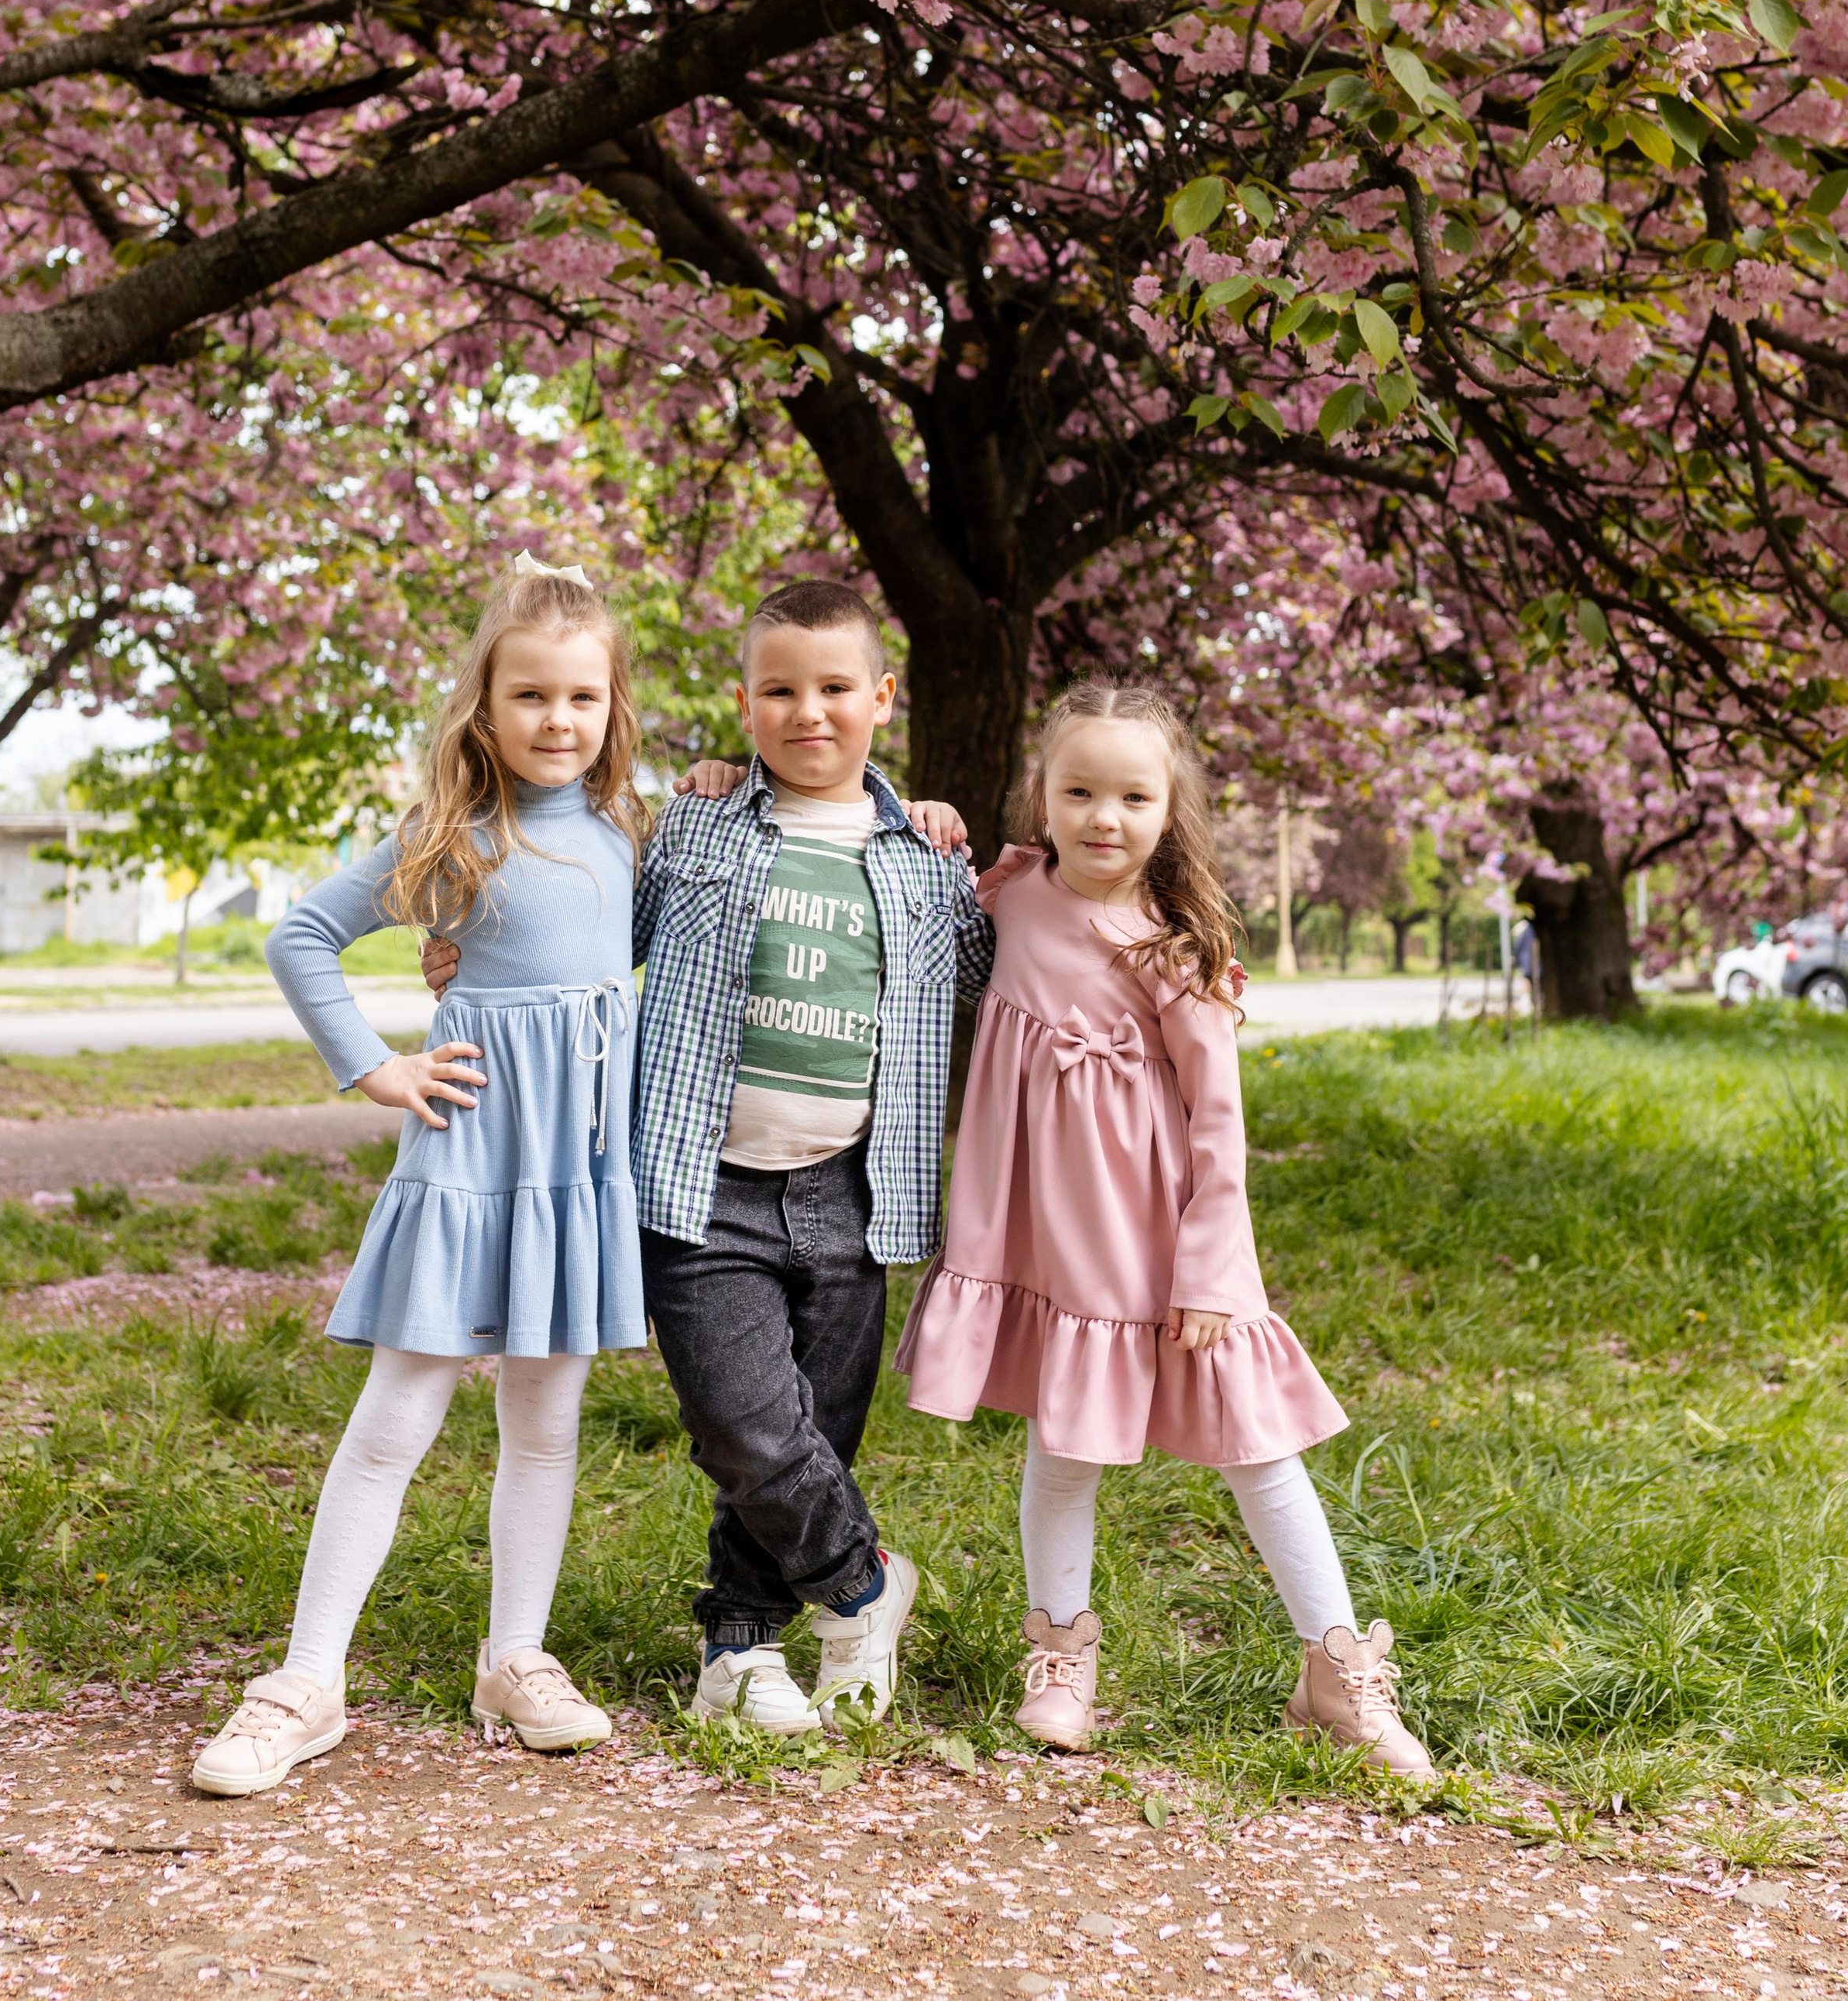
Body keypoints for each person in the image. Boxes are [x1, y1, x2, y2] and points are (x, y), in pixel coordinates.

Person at [424, 576, 991, 1738]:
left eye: (837, 688)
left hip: (854, 1187)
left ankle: (740, 1648)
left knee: (810, 1433)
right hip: (701, 1180)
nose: (809, 712)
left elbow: (1007, 976)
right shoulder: (688, 828)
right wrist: (474, 960)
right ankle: (865, 1587)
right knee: (741, 1424)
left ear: (883, 697)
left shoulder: (932, 860)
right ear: (743, 703)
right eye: (779, 690)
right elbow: (585, 934)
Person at [898, 678, 1437, 1781]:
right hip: (1048, 1243)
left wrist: (1208, 1270)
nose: (1105, 817)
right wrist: (906, 816)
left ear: (1167, 810)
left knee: (1256, 1448)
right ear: (1040, 797)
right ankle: (1062, 1657)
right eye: (1080, 791)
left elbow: (1219, 1131)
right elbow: (892, 864)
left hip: (1166, 1246)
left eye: (1133, 797)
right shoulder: (1006, 896)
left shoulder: (1175, 952)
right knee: (1066, 1450)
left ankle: (1339, 1673)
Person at [190, 557, 646, 1797]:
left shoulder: (632, 830)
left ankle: (517, 1658)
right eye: (533, 697)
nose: (560, 722)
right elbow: (302, 934)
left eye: (583, 700)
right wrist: (375, 1069)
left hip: (581, 1171)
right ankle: (306, 1681)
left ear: (614, 708)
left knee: (545, 1426)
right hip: (474, 1154)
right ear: (484, 709)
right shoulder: (454, 842)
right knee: (398, 1416)